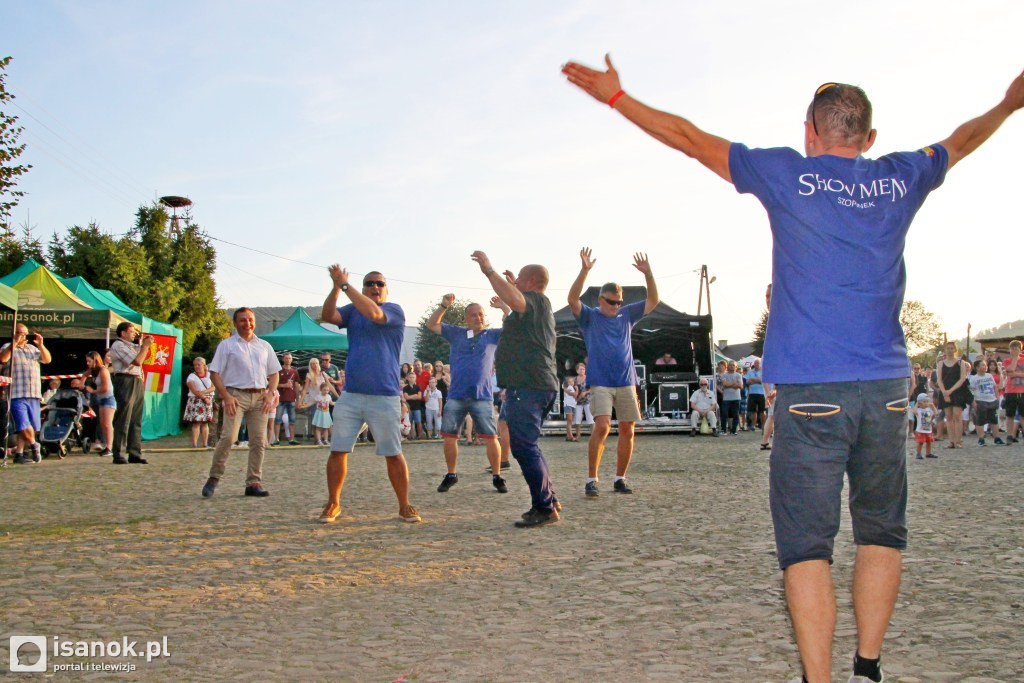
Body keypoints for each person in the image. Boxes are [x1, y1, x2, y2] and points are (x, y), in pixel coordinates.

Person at [562, 54, 1024, 683]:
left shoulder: (788, 173)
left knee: (807, 548)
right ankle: (868, 667)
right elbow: (962, 139)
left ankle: (820, 678)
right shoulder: (900, 175)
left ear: (810, 132)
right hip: (888, 386)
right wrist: (1009, 103)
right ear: (868, 139)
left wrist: (618, 98)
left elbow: (689, 139)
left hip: (811, 391)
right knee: (881, 532)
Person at [318, 266, 420, 524]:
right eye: (370, 283)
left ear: (386, 289)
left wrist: (345, 286)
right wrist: (335, 287)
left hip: (383, 396)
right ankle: (333, 503)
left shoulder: (394, 310)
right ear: (363, 287)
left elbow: (375, 314)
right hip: (351, 394)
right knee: (338, 450)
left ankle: (404, 505)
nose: (375, 287)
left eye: (379, 284)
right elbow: (328, 315)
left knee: (393, 452)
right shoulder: (352, 310)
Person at [472, 250, 560, 527]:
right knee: (528, 445)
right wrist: (512, 285)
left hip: (530, 385)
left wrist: (489, 270)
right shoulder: (534, 306)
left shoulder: (535, 301)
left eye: (520, 278)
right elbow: (515, 303)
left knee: (524, 447)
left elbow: (517, 299)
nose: (516, 280)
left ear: (532, 282)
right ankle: (549, 500)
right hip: (531, 385)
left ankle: (544, 508)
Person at [567, 247, 659, 497]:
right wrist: (584, 271)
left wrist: (648, 274)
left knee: (628, 429)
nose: (616, 305)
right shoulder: (590, 317)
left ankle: (620, 478)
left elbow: (653, 301)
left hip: (627, 381)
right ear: (600, 300)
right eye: (611, 301)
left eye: (619, 301)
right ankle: (592, 479)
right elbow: (572, 300)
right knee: (603, 426)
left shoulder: (627, 315)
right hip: (601, 383)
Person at [425, 294, 507, 493]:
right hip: (456, 394)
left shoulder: (492, 335)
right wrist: (444, 305)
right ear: (465, 319)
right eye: (473, 315)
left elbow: (512, 329)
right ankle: (451, 474)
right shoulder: (456, 333)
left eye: (481, 314)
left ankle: (497, 475)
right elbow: (431, 324)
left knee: (491, 437)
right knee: (449, 436)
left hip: (482, 395)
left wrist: (505, 309)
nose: (478, 318)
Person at [201, 308, 281, 498]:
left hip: (260, 396)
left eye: (250, 320)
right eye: (243, 320)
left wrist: (270, 393)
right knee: (229, 437)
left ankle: (253, 482)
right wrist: (225, 396)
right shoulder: (227, 345)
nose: (248, 323)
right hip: (236, 396)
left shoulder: (264, 346)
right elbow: (214, 373)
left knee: (259, 441)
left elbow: (274, 372)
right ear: (236, 323)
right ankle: (214, 477)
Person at [0, 324, 51, 464]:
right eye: (19, 333)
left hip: (33, 392)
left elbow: (47, 360)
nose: (22, 336)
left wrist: (41, 345)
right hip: (16, 392)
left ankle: (19, 453)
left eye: (24, 334)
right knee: (23, 423)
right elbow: (3, 359)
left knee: (32, 425)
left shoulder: (32, 349)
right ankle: (34, 445)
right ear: (13, 333)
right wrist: (15, 342)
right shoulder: (7, 347)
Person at [108, 322, 153, 465]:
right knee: (123, 418)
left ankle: (134, 452)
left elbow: (145, 356)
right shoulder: (118, 345)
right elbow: (137, 361)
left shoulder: (132, 346)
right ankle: (119, 453)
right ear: (123, 333)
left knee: (135, 419)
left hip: (137, 380)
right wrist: (145, 346)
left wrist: (147, 345)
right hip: (125, 380)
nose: (134, 334)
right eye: (131, 331)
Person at [936, 341, 971, 449]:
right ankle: (951, 441)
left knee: (957, 416)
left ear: (955, 350)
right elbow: (939, 380)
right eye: (948, 348)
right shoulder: (940, 363)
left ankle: (958, 441)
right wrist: (944, 392)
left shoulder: (961, 363)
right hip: (945, 391)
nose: (950, 350)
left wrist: (951, 390)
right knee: (949, 417)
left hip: (958, 391)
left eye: (952, 348)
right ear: (945, 350)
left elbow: (962, 379)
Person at [82, 350, 115, 456]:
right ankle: (106, 445)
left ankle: (109, 447)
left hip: (108, 398)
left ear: (95, 360)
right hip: (101, 399)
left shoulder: (103, 370)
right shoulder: (93, 371)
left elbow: (105, 388)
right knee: (102, 423)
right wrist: (82, 384)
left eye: (89, 361)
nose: (87, 363)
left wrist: (93, 390)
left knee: (107, 424)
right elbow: (84, 375)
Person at [184, 356, 216, 449]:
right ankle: (194, 444)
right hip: (196, 401)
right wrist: (203, 397)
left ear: (204, 365)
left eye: (199, 365)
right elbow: (193, 389)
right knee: (196, 423)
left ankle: (205, 444)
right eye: (195, 365)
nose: (197, 367)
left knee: (206, 423)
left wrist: (204, 393)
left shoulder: (210, 375)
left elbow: (214, 387)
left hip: (208, 400)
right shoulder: (191, 376)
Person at [969, 358, 1001, 446]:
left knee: (994, 420)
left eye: (985, 365)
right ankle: (981, 439)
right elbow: (971, 392)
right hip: (981, 401)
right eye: (982, 365)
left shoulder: (989, 376)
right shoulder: (974, 379)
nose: (985, 367)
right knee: (980, 420)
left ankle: (997, 438)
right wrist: (973, 402)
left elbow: (994, 387)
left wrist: (997, 398)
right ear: (977, 367)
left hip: (992, 400)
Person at [275, 352, 301, 446]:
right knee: (278, 420)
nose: (288, 360)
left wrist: (298, 399)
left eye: (289, 358)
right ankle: (276, 439)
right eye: (286, 358)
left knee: (292, 420)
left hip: (291, 398)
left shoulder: (294, 372)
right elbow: (273, 384)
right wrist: (283, 385)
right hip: (280, 398)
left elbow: (297, 385)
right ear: (283, 359)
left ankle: (292, 439)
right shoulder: (278, 370)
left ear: (292, 360)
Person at [1003, 340, 1024, 444]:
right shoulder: (1007, 361)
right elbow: (1009, 372)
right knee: (1010, 414)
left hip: (1022, 390)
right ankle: (1010, 435)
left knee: (1023, 414)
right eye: (1013, 348)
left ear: (1020, 349)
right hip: (1011, 391)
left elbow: (1013, 373)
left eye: (1017, 348)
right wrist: (1015, 358)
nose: (1015, 350)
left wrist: (1016, 374)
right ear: (1009, 350)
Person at [719, 361, 742, 435]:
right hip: (726, 398)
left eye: (733, 365)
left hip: (736, 398)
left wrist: (729, 384)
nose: (732, 366)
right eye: (730, 365)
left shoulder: (739, 375)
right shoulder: (724, 375)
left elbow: (741, 386)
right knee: (724, 414)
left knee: (736, 415)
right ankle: (723, 430)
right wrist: (735, 383)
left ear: (736, 367)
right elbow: (724, 384)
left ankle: (734, 430)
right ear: (728, 366)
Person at [402, 372, 425, 440]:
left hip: (417, 407)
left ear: (415, 378)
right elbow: (406, 397)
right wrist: (414, 396)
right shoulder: (405, 388)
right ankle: (410, 437)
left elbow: (419, 397)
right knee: (409, 422)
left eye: (413, 377)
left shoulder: (418, 387)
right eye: (410, 377)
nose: (412, 379)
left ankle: (420, 435)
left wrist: (410, 396)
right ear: (408, 378)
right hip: (409, 408)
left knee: (418, 422)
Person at [914, 393, 936, 459]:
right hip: (921, 430)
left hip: (928, 429)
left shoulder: (929, 410)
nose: (926, 403)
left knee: (929, 442)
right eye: (924, 402)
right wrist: (917, 404)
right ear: (919, 403)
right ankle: (918, 453)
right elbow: (914, 412)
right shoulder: (919, 410)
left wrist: (933, 407)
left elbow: (936, 413)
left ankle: (928, 453)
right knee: (920, 442)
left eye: (927, 401)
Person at [746, 358, 766, 431]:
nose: (757, 364)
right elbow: (748, 381)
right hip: (752, 393)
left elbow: (762, 381)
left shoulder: (763, 372)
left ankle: (764, 425)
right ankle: (753, 426)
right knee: (753, 411)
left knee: (762, 411)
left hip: (761, 393)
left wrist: (753, 380)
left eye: (758, 363)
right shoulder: (750, 372)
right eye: (755, 363)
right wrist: (757, 380)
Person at [562, 376, 579, 441]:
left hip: (572, 405)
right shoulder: (569, 388)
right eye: (570, 381)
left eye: (573, 381)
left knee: (570, 421)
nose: (572, 382)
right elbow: (575, 395)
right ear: (567, 383)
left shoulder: (570, 388)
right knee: (570, 421)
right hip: (568, 405)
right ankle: (571, 436)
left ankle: (568, 435)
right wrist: (577, 389)